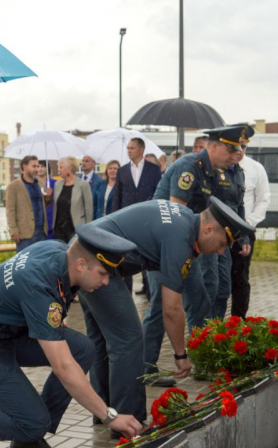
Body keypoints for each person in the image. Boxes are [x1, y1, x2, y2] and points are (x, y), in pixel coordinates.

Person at [0, 226, 144, 448]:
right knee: (34, 417)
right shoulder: (40, 284)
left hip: (5, 332)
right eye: (103, 273)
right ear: (81, 265)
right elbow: (63, 367)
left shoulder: (57, 252)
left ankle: (28, 442)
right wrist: (109, 415)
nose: (105, 282)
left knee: (82, 349)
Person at [80, 197, 252, 431]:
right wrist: (181, 355)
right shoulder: (180, 238)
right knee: (129, 340)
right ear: (209, 228)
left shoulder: (183, 219)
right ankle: (129, 420)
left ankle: (104, 412)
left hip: (84, 252)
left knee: (102, 338)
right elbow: (171, 309)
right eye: (222, 243)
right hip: (96, 263)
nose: (221, 252)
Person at [145, 126, 249, 385]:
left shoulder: (213, 172)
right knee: (161, 305)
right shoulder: (189, 167)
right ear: (213, 147)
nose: (235, 155)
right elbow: (175, 212)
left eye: (238, 150)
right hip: (164, 246)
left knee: (201, 299)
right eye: (231, 149)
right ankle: (146, 367)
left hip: (187, 244)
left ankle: (202, 361)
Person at [208, 125, 254, 320]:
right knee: (211, 285)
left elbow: (239, 207)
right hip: (211, 236)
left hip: (229, 238)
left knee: (225, 287)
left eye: (242, 149)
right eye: (235, 149)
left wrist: (244, 237)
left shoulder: (239, 173)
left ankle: (216, 327)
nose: (238, 153)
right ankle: (206, 328)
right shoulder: (217, 170)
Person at [114, 138, 161, 293]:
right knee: (126, 256)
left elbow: (158, 195)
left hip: (147, 220)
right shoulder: (122, 171)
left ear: (141, 150)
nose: (129, 150)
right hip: (126, 221)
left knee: (146, 255)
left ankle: (149, 291)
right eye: (127, 148)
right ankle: (126, 293)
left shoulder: (154, 170)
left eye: (132, 148)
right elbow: (117, 197)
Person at [231, 150, 271, 318]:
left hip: (243, 232)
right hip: (219, 231)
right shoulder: (219, 166)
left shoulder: (255, 168)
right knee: (217, 280)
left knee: (240, 278)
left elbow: (264, 198)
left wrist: (249, 223)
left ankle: (238, 321)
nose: (239, 150)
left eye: (243, 145)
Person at [6, 155, 47, 252]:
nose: (37, 169)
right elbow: (10, 210)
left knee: (40, 263)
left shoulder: (40, 184)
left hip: (42, 232)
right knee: (24, 264)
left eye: (37, 166)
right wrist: (14, 231)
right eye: (34, 166)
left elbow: (43, 206)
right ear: (24, 167)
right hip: (24, 234)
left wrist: (48, 198)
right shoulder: (13, 186)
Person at [53, 156, 93, 244]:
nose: (58, 170)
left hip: (75, 229)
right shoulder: (57, 185)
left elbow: (88, 209)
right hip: (59, 229)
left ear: (69, 169)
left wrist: (87, 229)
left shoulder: (83, 185)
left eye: (61, 167)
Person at [81, 155, 107, 219]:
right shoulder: (76, 179)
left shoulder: (100, 180)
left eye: (87, 161)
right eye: (83, 161)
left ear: (94, 164)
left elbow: (99, 203)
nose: (83, 163)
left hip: (92, 217)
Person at [38, 160, 56, 237]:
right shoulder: (33, 184)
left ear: (47, 168)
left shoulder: (55, 183)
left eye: (42, 166)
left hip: (51, 217)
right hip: (39, 219)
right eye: (38, 166)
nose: (40, 169)